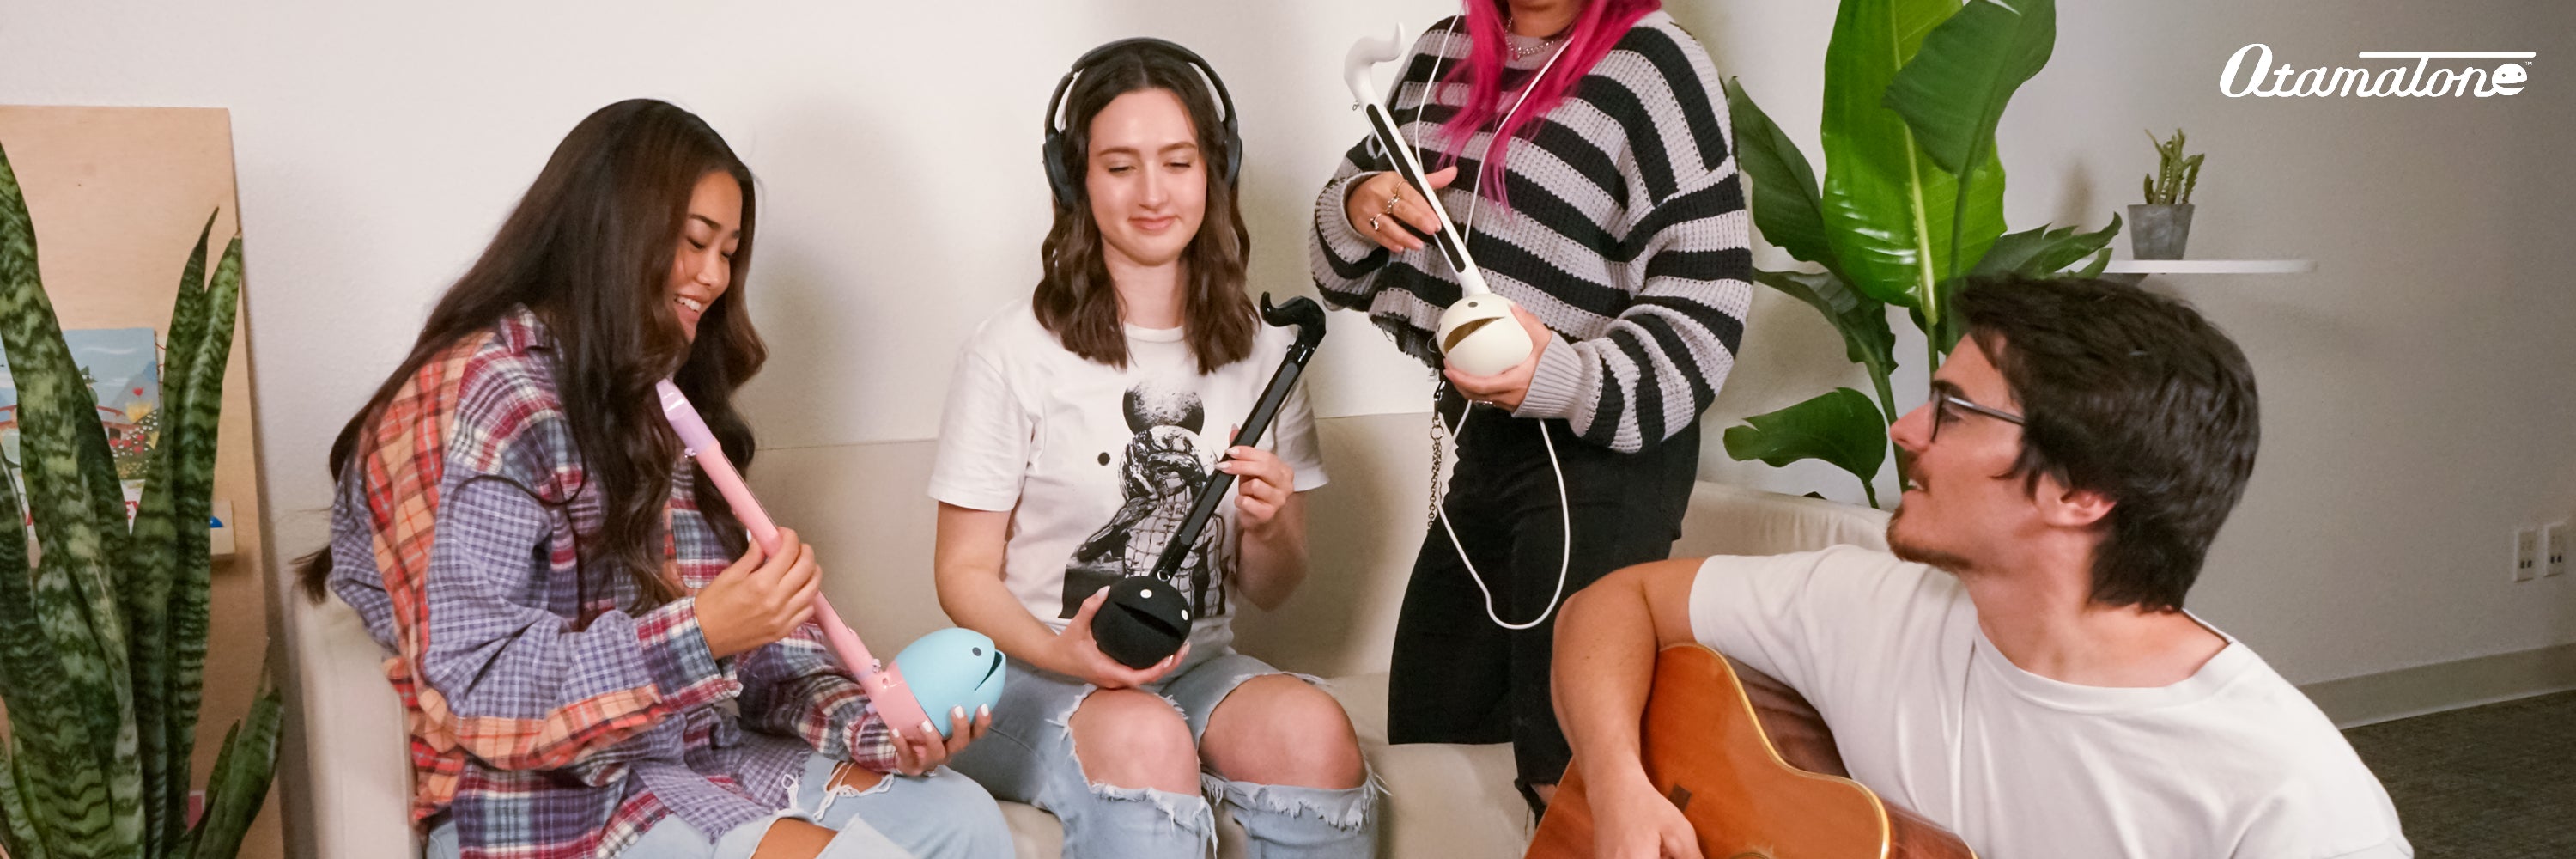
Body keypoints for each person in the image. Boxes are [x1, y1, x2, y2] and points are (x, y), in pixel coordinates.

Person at [300, 99, 1012, 859]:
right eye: (696, 242)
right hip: (550, 797)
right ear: (612, 232)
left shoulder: (655, 392)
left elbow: (762, 659)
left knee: (961, 820)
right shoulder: (484, 395)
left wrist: (873, 725)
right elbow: (480, 682)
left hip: (693, 757)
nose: (713, 277)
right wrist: (703, 631)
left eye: (730, 252)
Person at [1553, 275, 2413, 859]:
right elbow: (1612, 602)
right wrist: (1624, 788)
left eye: (1955, 411)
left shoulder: (2289, 798)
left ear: (2082, 490)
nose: (1908, 429)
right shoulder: (1866, 604)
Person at [931, 39, 1375, 859]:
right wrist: (1065, 650)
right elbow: (961, 576)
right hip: (1033, 675)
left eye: (1177, 161)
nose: (1153, 192)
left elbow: (1273, 591)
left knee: (1315, 731)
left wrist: (1272, 526)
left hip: (1197, 667)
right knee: (1143, 736)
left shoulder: (1266, 356)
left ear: (1215, 169)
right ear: (1075, 181)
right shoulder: (1011, 351)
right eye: (1119, 166)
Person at [1305, 0, 1753, 807]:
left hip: (1608, 457)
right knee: (1431, 731)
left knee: (1566, 763)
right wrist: (1360, 202)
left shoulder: (1657, 66)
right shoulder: (1443, 52)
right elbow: (1342, 269)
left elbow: (1707, 308)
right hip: (1488, 441)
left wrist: (1564, 377)